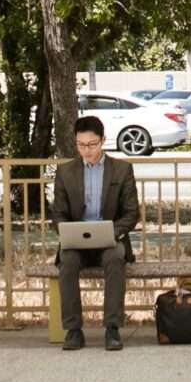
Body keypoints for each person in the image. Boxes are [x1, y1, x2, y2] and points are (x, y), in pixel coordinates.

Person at [51, 115, 141, 351]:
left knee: (114, 259)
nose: (86, 150)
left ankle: (112, 329)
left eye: (91, 144)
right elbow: (57, 214)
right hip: (76, 242)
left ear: (103, 140)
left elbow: (132, 214)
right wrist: (65, 231)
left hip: (110, 240)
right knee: (67, 262)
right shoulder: (65, 172)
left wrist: (113, 233)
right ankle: (73, 330)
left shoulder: (122, 170)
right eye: (81, 145)